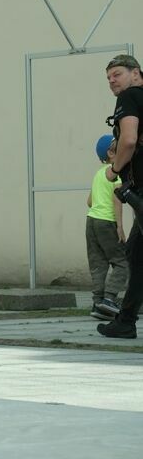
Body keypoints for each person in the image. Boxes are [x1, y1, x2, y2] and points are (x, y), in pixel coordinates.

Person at [98, 54, 143, 339]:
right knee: (136, 255)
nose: (112, 81)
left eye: (117, 74)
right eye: (109, 77)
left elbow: (127, 139)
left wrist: (114, 170)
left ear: (135, 73)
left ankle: (126, 320)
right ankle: (126, 321)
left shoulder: (130, 97)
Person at [86, 134, 127, 320]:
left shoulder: (98, 174)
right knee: (121, 262)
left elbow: (89, 201)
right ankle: (109, 299)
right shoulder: (114, 174)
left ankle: (97, 302)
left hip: (91, 221)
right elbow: (117, 200)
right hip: (106, 222)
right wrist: (120, 226)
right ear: (111, 153)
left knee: (98, 264)